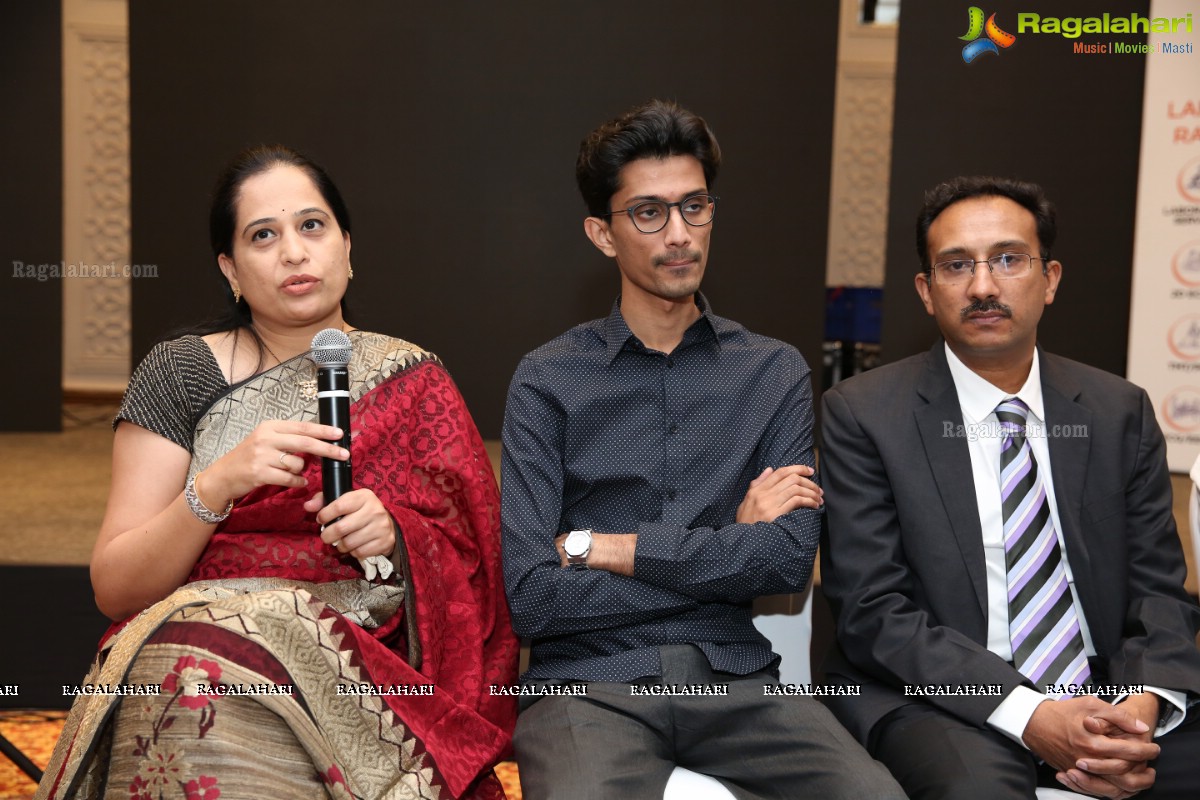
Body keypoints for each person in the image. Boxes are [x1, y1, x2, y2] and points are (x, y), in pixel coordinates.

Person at [36, 146, 517, 800]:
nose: (293, 251)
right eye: (264, 235)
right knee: (191, 665)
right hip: (191, 642)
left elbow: (479, 569)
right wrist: (216, 486)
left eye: (311, 226)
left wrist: (398, 538)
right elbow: (117, 588)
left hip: (357, 660)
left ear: (347, 247)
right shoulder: (181, 374)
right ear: (230, 269)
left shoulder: (415, 379)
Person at [500, 99, 904, 800]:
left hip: (736, 680)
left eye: (695, 207)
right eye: (649, 213)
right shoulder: (546, 378)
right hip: (589, 687)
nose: (680, 234)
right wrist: (724, 548)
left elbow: (780, 563)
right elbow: (534, 597)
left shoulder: (771, 372)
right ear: (602, 233)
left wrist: (599, 545)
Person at [820, 175, 1200, 799]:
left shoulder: (1116, 412)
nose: (983, 286)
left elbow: (1159, 591)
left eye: (1007, 259)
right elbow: (873, 612)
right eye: (955, 265)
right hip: (939, 699)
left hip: (1103, 692)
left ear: (1049, 278)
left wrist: (1137, 710)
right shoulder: (864, 414)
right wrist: (1033, 714)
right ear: (925, 290)